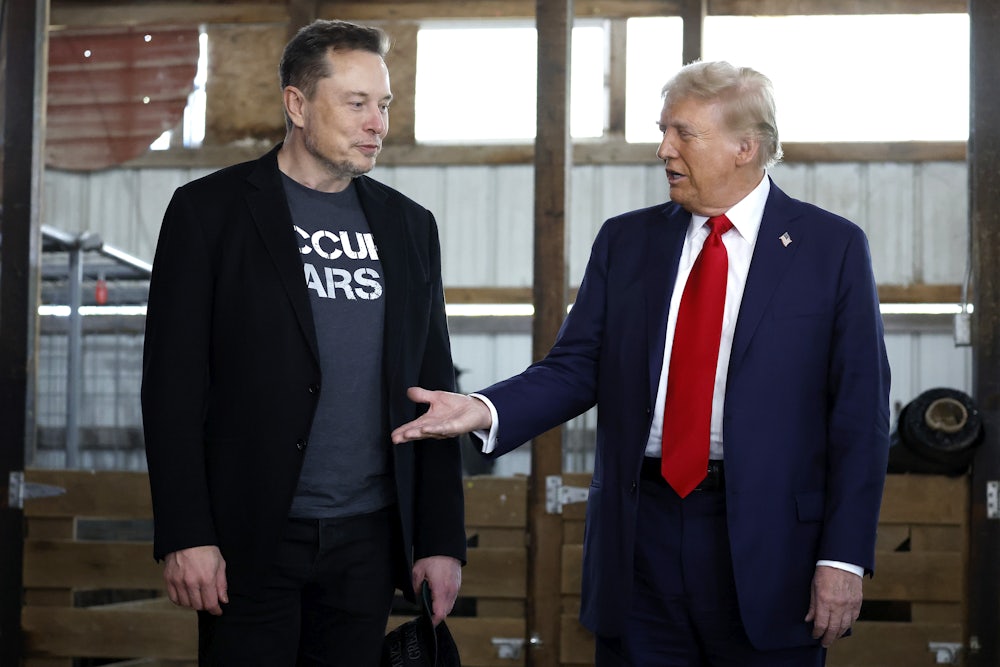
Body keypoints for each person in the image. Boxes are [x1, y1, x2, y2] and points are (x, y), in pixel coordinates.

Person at [392, 60, 890, 666]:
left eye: (684, 133)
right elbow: (576, 366)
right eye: (663, 131)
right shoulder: (626, 241)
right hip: (639, 539)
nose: (663, 149)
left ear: (745, 147)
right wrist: (483, 408)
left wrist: (841, 558)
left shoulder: (830, 248)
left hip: (771, 548)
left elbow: (859, 417)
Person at [141, 19, 466, 666]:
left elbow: (435, 386)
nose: (377, 122)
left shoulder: (408, 225)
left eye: (384, 105)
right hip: (249, 537)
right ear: (296, 103)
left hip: (370, 540)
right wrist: (186, 532)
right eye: (356, 103)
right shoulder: (210, 213)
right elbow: (171, 385)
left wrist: (440, 538)